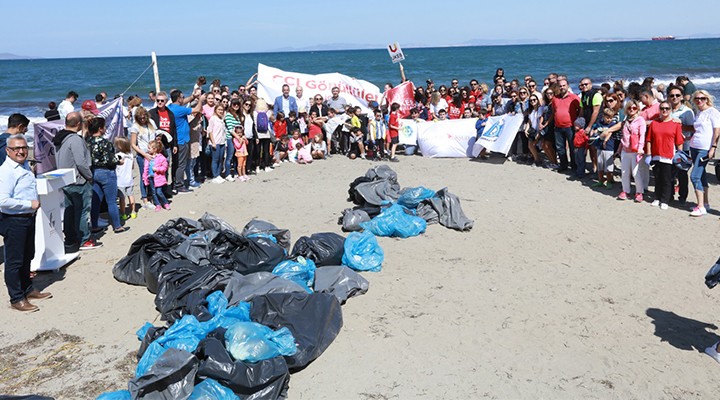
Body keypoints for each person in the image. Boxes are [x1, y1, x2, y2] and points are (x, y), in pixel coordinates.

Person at [0, 135, 51, 312]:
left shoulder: (24, 166)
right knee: (14, 261)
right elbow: (2, 200)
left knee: (28, 255)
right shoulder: (6, 171)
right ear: (8, 151)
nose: (21, 151)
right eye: (16, 148)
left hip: (28, 218)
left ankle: (28, 289)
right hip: (14, 220)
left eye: (23, 147)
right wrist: (29, 204)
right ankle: (16, 298)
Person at [53, 112, 99, 251]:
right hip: (78, 180)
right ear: (78, 124)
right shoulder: (74, 139)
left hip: (65, 179)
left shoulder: (59, 138)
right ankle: (84, 239)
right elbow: (81, 162)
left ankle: (71, 238)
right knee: (83, 211)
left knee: (70, 210)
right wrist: (89, 176)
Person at [86, 118, 128, 234]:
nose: (105, 129)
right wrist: (118, 160)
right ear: (100, 129)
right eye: (104, 127)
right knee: (111, 201)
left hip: (94, 171)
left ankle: (94, 225)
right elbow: (109, 160)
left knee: (96, 201)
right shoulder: (105, 143)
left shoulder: (87, 141)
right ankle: (117, 226)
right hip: (107, 172)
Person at [646, 102, 684, 210]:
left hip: (669, 156)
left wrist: (679, 156)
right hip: (656, 155)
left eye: (667, 108)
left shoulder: (675, 124)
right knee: (657, 178)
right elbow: (649, 139)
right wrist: (649, 154)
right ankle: (657, 197)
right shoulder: (654, 123)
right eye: (662, 108)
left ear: (670, 110)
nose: (664, 110)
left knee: (667, 179)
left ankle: (665, 200)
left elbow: (679, 142)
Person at [688, 90, 720, 216]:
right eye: (696, 98)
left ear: (706, 99)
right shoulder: (698, 112)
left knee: (694, 176)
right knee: (702, 176)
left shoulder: (713, 112)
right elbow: (697, 130)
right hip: (694, 146)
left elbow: (717, 131)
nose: (699, 100)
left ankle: (700, 206)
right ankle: (705, 204)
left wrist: (713, 147)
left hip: (705, 149)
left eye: (702, 98)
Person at [167, 89, 204, 193]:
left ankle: (175, 183)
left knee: (176, 163)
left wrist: (192, 97)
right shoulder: (179, 110)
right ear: (178, 99)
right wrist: (200, 100)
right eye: (182, 97)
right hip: (182, 140)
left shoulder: (170, 107)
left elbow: (183, 102)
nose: (183, 99)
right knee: (181, 164)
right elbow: (196, 110)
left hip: (177, 140)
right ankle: (179, 185)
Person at [667, 85, 695, 204]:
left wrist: (680, 125)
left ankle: (682, 197)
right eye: (672, 95)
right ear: (668, 97)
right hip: (668, 147)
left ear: (682, 97)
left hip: (684, 147)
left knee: (682, 173)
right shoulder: (665, 109)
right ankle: (670, 195)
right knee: (669, 173)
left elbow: (693, 128)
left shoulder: (687, 112)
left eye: (677, 95)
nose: (675, 97)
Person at [617, 100, 647, 202]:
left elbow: (642, 135)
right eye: (629, 108)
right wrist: (619, 149)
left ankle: (639, 192)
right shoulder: (625, 120)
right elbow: (623, 136)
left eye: (634, 108)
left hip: (635, 150)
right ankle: (626, 191)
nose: (632, 110)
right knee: (624, 172)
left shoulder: (640, 120)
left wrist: (640, 148)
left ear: (637, 109)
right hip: (625, 150)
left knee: (635, 172)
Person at [129, 107, 158, 210]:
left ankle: (152, 195)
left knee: (153, 175)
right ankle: (145, 199)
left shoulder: (151, 123)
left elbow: (156, 135)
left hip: (153, 153)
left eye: (144, 117)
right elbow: (133, 144)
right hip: (143, 155)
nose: (143, 119)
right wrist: (144, 154)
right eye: (140, 118)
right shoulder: (135, 127)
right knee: (144, 176)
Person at [551, 79, 581, 172]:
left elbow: (580, 110)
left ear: (567, 86)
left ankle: (574, 165)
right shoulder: (555, 98)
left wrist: (578, 124)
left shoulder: (574, 97)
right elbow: (554, 111)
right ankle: (563, 165)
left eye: (564, 85)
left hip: (570, 126)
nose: (562, 87)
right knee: (560, 148)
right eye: (560, 86)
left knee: (572, 147)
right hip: (558, 127)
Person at [589, 108, 618, 188]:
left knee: (609, 167)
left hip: (609, 147)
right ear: (603, 116)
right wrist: (593, 131)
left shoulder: (612, 125)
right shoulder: (599, 123)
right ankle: (600, 180)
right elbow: (595, 129)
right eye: (607, 117)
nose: (609, 119)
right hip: (599, 146)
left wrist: (605, 140)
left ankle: (609, 181)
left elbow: (610, 133)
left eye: (611, 118)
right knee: (600, 165)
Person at [143, 140, 170, 211]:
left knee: (159, 192)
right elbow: (146, 168)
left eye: (149, 148)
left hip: (158, 178)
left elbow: (165, 167)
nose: (147, 150)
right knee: (153, 192)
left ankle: (165, 202)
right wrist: (145, 177)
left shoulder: (161, 158)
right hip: (151, 177)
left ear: (154, 149)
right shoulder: (148, 157)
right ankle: (157, 204)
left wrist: (157, 169)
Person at [114, 137, 136, 220]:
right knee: (131, 195)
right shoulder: (130, 155)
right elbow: (133, 166)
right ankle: (133, 211)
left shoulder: (118, 156)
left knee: (122, 199)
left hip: (120, 181)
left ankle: (123, 213)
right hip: (129, 179)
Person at [207, 103, 227, 183]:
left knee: (221, 159)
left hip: (222, 141)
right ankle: (215, 175)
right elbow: (210, 131)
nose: (221, 111)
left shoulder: (221, 119)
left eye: (222, 110)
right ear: (215, 110)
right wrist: (213, 142)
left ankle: (218, 174)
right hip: (215, 142)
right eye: (219, 109)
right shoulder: (213, 118)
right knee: (215, 159)